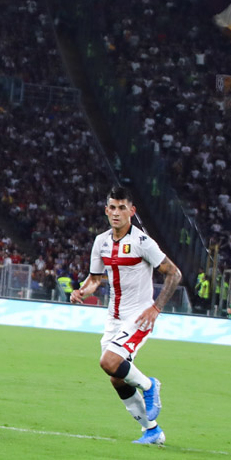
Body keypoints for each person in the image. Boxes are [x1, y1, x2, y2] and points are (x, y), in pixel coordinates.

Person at [71, 186, 181, 446]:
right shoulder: (101, 241)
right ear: (106, 210)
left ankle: (150, 385)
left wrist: (155, 309)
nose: (116, 212)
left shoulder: (142, 242)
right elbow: (96, 279)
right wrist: (82, 292)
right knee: (116, 376)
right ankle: (152, 431)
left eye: (122, 207)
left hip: (139, 316)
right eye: (112, 207)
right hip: (114, 317)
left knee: (109, 361)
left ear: (132, 211)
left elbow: (174, 273)